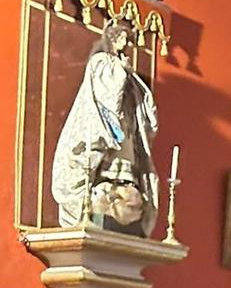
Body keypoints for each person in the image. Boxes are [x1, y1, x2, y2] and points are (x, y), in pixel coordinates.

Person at [52, 19, 160, 234]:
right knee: (106, 155)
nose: (124, 43)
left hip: (124, 124)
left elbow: (139, 96)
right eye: (121, 39)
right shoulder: (101, 61)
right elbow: (107, 93)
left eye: (126, 40)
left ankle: (123, 186)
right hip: (107, 123)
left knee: (127, 155)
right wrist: (122, 70)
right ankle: (105, 189)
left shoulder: (121, 63)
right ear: (112, 38)